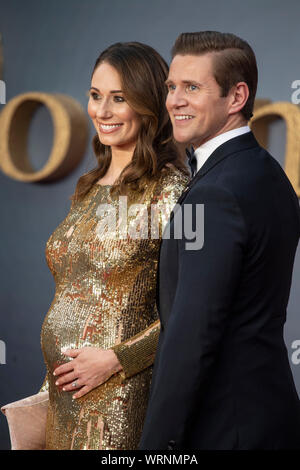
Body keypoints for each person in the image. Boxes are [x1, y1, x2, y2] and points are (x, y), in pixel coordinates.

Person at [139, 31, 300, 450]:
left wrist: (156, 449)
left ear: (236, 97)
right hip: (267, 418)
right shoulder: (266, 173)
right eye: (172, 87)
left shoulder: (215, 193)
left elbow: (191, 338)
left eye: (192, 87)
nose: (174, 100)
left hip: (223, 430)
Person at [38, 41, 189, 450]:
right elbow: (73, 294)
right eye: (95, 95)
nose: (101, 112)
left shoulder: (174, 191)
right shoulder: (89, 187)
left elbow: (197, 307)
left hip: (120, 396)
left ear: (148, 105)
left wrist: (118, 360)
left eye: (119, 99)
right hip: (64, 394)